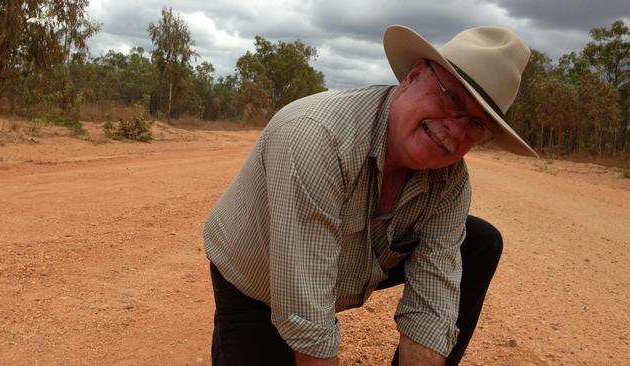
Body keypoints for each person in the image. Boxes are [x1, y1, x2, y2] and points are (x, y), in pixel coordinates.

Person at [204, 24, 538, 366]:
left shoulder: (450, 181)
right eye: (451, 97)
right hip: (259, 280)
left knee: (480, 242)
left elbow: (432, 303)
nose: (456, 128)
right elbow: (305, 311)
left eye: (478, 124)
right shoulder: (316, 137)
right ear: (413, 77)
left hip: (353, 261)